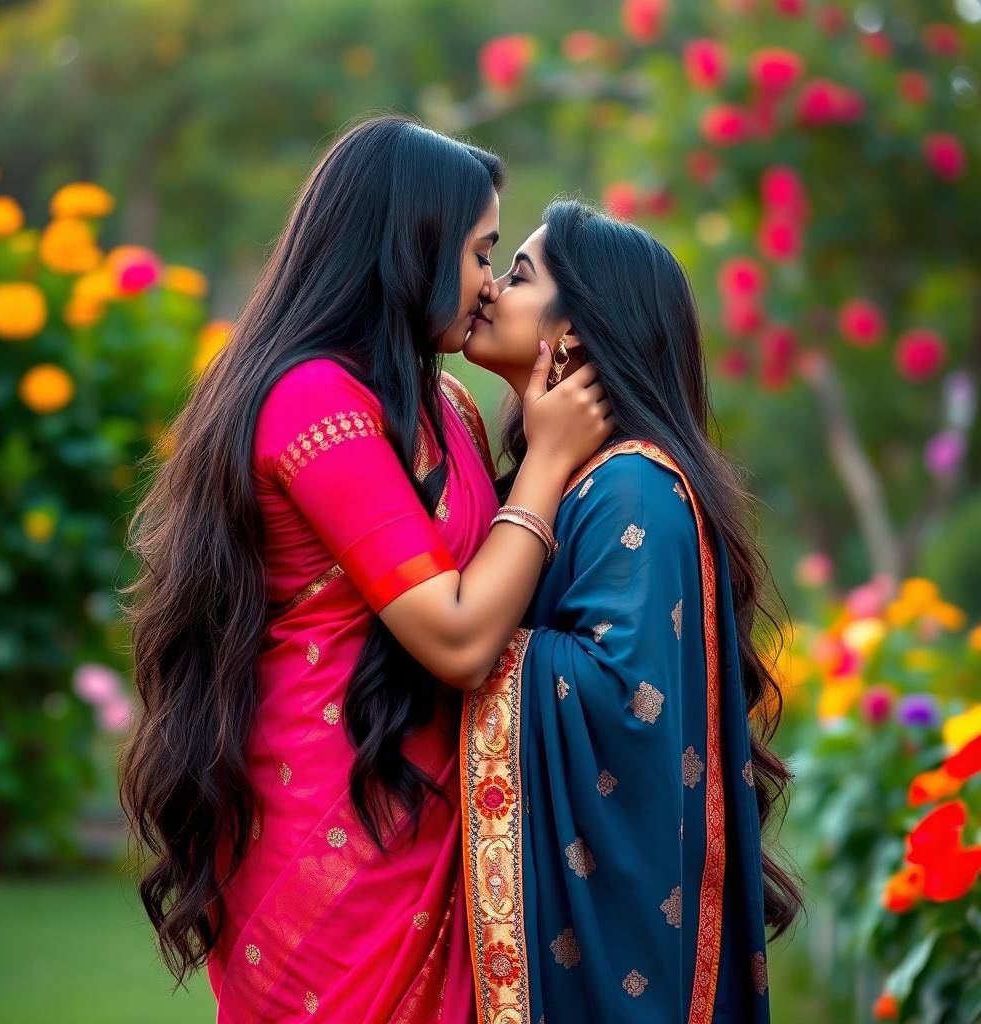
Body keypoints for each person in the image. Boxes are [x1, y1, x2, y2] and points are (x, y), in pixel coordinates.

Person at [119, 119, 613, 1022]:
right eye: (479, 252)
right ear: (409, 246)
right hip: (331, 838)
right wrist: (543, 463)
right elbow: (460, 638)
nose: (488, 283)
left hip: (430, 816)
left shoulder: (445, 405)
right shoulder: (313, 399)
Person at [460, 199, 803, 1024]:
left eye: (519, 275)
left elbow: (624, 701)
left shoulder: (631, 484)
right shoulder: (565, 479)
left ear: (572, 330)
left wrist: (447, 634)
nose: (490, 292)